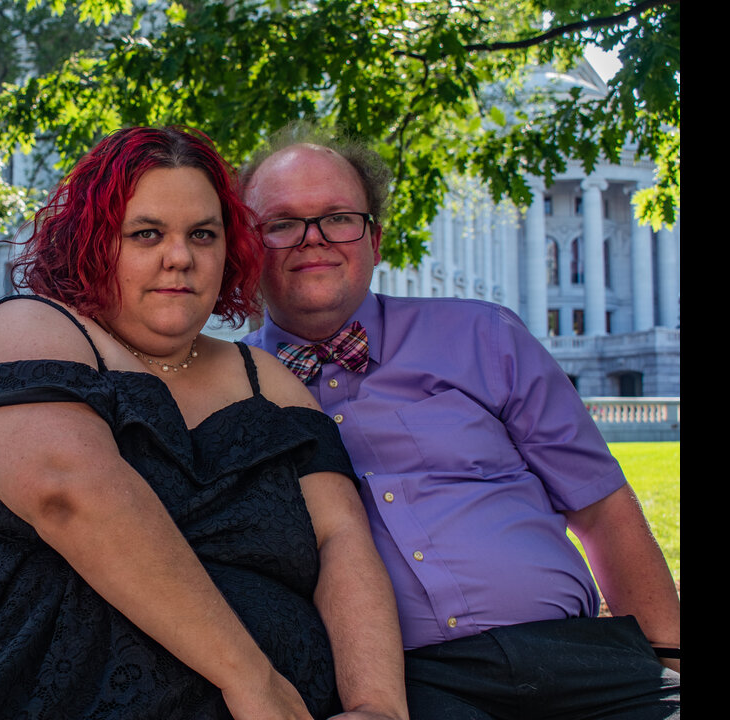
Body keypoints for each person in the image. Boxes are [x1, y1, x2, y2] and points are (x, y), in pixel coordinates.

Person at [0, 126, 408, 720]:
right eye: (146, 233)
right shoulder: (33, 328)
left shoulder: (270, 379)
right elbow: (71, 495)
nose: (179, 257)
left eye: (202, 234)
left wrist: (377, 706)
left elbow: (341, 540)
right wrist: (253, 682)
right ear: (95, 243)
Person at [237, 123, 680, 719]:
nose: (313, 239)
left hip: (578, 658)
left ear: (376, 238)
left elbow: (603, 508)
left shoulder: (482, 335)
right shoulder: (230, 391)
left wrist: (671, 658)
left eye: (339, 217)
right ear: (246, 245)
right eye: (282, 223)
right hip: (410, 686)